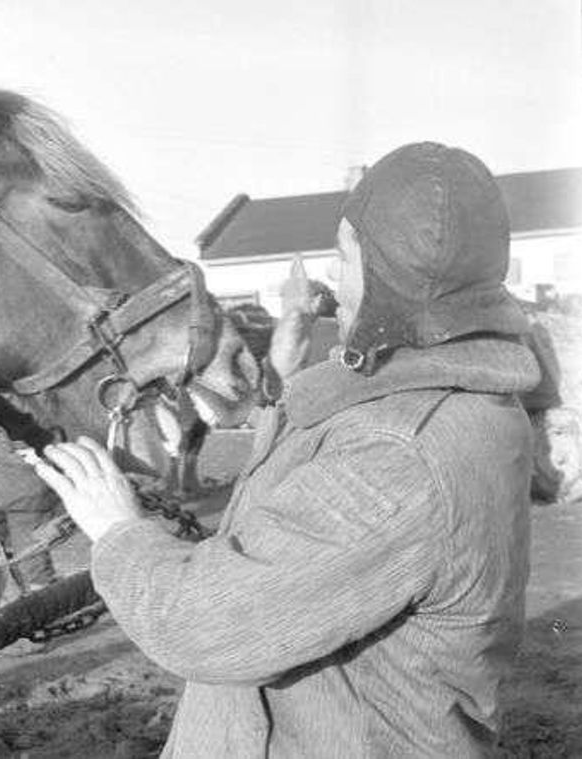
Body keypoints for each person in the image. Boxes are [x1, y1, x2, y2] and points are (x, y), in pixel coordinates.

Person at [32, 142, 539, 756]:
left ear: (395, 274)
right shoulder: (448, 398)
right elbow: (305, 511)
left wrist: (118, 530)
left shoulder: (401, 455)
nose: (331, 276)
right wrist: (285, 371)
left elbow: (207, 625)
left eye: (346, 256)